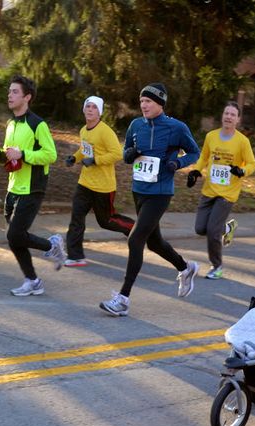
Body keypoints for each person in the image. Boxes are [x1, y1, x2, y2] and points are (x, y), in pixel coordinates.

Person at [99, 82, 200, 316]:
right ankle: (186, 268)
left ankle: (123, 299)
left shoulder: (176, 127)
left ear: (160, 104)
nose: (143, 105)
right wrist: (130, 154)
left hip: (161, 192)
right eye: (142, 101)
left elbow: (194, 151)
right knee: (154, 242)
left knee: (135, 240)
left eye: (149, 101)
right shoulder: (136, 125)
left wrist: (178, 163)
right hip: (139, 190)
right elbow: (126, 154)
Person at [0, 75, 65, 296]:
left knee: (15, 235)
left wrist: (24, 154)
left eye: (15, 92)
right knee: (16, 239)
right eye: (9, 91)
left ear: (27, 97)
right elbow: (10, 157)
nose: (10, 94)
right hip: (13, 187)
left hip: (32, 187)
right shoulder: (10, 124)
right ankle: (33, 281)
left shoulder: (38, 124)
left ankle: (52, 245)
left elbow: (51, 155)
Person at [187, 101, 255, 279]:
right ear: (222, 116)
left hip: (227, 193)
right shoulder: (211, 136)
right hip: (209, 189)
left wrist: (242, 171)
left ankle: (216, 266)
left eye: (233, 114)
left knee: (212, 231)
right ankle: (227, 228)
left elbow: (252, 164)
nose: (228, 117)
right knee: (200, 229)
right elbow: (204, 157)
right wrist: (196, 170)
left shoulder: (242, 141)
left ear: (238, 119)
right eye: (226, 113)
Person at [64, 96, 135, 267]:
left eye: (94, 107)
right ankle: (75, 256)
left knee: (106, 221)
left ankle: (137, 229)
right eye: (87, 106)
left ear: (99, 112)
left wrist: (95, 160)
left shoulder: (105, 131)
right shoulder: (83, 130)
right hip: (85, 183)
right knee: (76, 218)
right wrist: (74, 158)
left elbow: (117, 154)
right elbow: (84, 148)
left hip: (103, 187)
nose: (90, 110)